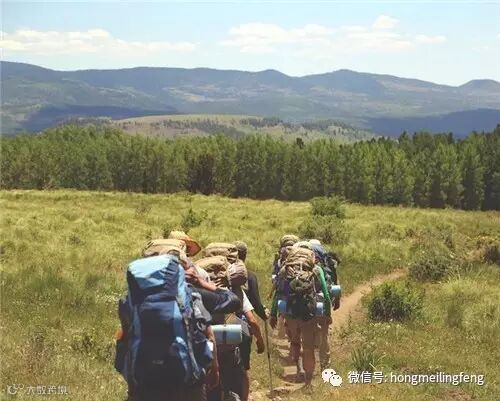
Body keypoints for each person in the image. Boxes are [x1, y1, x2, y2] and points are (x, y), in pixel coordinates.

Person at [269, 243, 332, 387]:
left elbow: (280, 293)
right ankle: (308, 383)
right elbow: (326, 293)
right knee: (308, 348)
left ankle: (298, 370)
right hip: (309, 313)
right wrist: (327, 314)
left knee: (295, 342)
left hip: (291, 313)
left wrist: (274, 314)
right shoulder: (316, 269)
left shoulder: (286, 270)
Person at [234, 241, 267, 401]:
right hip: (242, 329)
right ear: (245, 255)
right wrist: (265, 316)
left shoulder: (217, 278)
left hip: (215, 330)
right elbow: (255, 305)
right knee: (242, 370)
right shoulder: (249, 276)